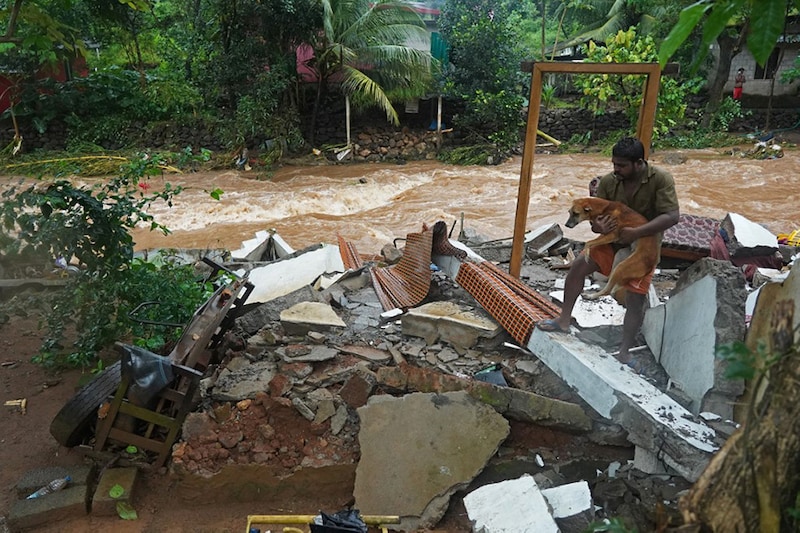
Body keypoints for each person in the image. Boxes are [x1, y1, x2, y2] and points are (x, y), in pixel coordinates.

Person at [536, 137, 680, 367]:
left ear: (638, 163)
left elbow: (672, 217)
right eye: (614, 164)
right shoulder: (609, 182)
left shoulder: (660, 179)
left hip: (643, 244)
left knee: (635, 298)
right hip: (612, 241)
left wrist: (636, 232)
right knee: (577, 268)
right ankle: (563, 320)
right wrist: (598, 228)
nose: (616, 170)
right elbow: (595, 220)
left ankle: (624, 351)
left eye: (621, 165)